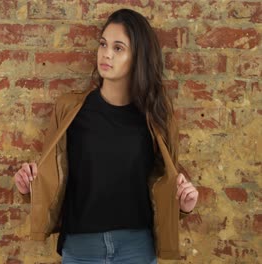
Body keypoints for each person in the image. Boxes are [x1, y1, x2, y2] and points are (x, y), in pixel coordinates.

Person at [13, 8, 198, 264]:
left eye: (118, 48)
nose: (106, 54)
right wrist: (28, 187)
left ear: (138, 57)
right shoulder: (70, 109)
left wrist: (184, 207)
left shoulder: (156, 118)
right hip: (81, 248)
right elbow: (51, 176)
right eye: (103, 44)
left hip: (137, 247)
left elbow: (163, 187)